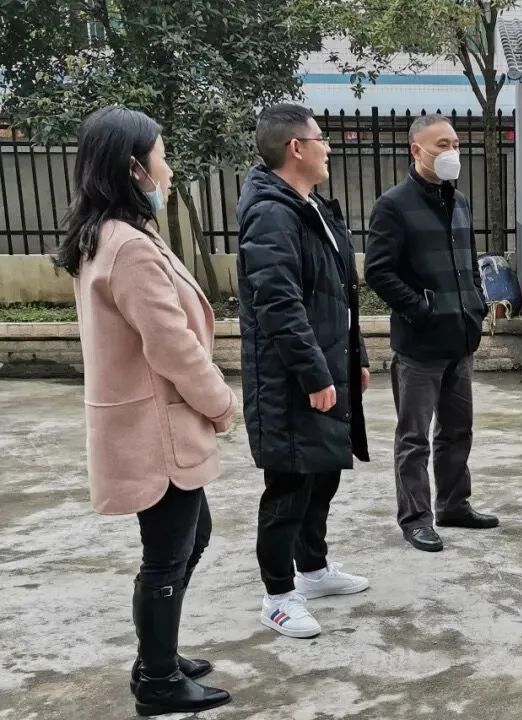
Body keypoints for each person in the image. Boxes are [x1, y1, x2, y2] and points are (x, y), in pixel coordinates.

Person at [58, 106, 236, 717]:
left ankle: (158, 655)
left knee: (189, 538)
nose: (169, 168)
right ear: (134, 167)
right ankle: (158, 680)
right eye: (162, 155)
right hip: (155, 427)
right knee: (166, 555)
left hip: (147, 422)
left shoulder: (110, 234)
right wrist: (221, 403)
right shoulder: (128, 246)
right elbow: (172, 346)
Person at [236, 103, 371, 638]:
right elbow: (279, 304)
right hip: (289, 379)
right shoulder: (271, 213)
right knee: (289, 486)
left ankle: (312, 570)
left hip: (327, 364)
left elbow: (340, 294)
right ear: (296, 148)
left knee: (323, 473)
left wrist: (355, 356)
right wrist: (314, 374)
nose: (328, 147)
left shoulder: (311, 207)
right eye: (321, 138)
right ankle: (277, 595)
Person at [365, 113, 499, 553]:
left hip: (460, 337)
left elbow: (469, 260)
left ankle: (454, 504)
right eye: (442, 145)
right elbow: (378, 271)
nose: (451, 152)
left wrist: (476, 303)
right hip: (419, 345)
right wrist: (420, 309)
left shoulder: (458, 201)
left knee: (458, 430)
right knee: (414, 437)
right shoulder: (393, 205)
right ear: (416, 150)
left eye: (455, 144)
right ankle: (416, 518)